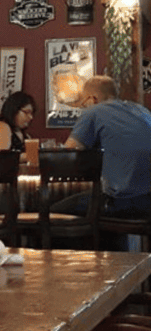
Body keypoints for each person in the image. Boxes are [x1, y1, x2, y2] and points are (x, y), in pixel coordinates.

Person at [53, 75, 151, 246]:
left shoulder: (94, 112)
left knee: (53, 212)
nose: (83, 107)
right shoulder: (143, 111)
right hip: (147, 202)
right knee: (99, 205)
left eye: (83, 103)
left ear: (92, 99)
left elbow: (66, 157)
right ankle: (115, 259)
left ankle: (74, 263)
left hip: (119, 201)